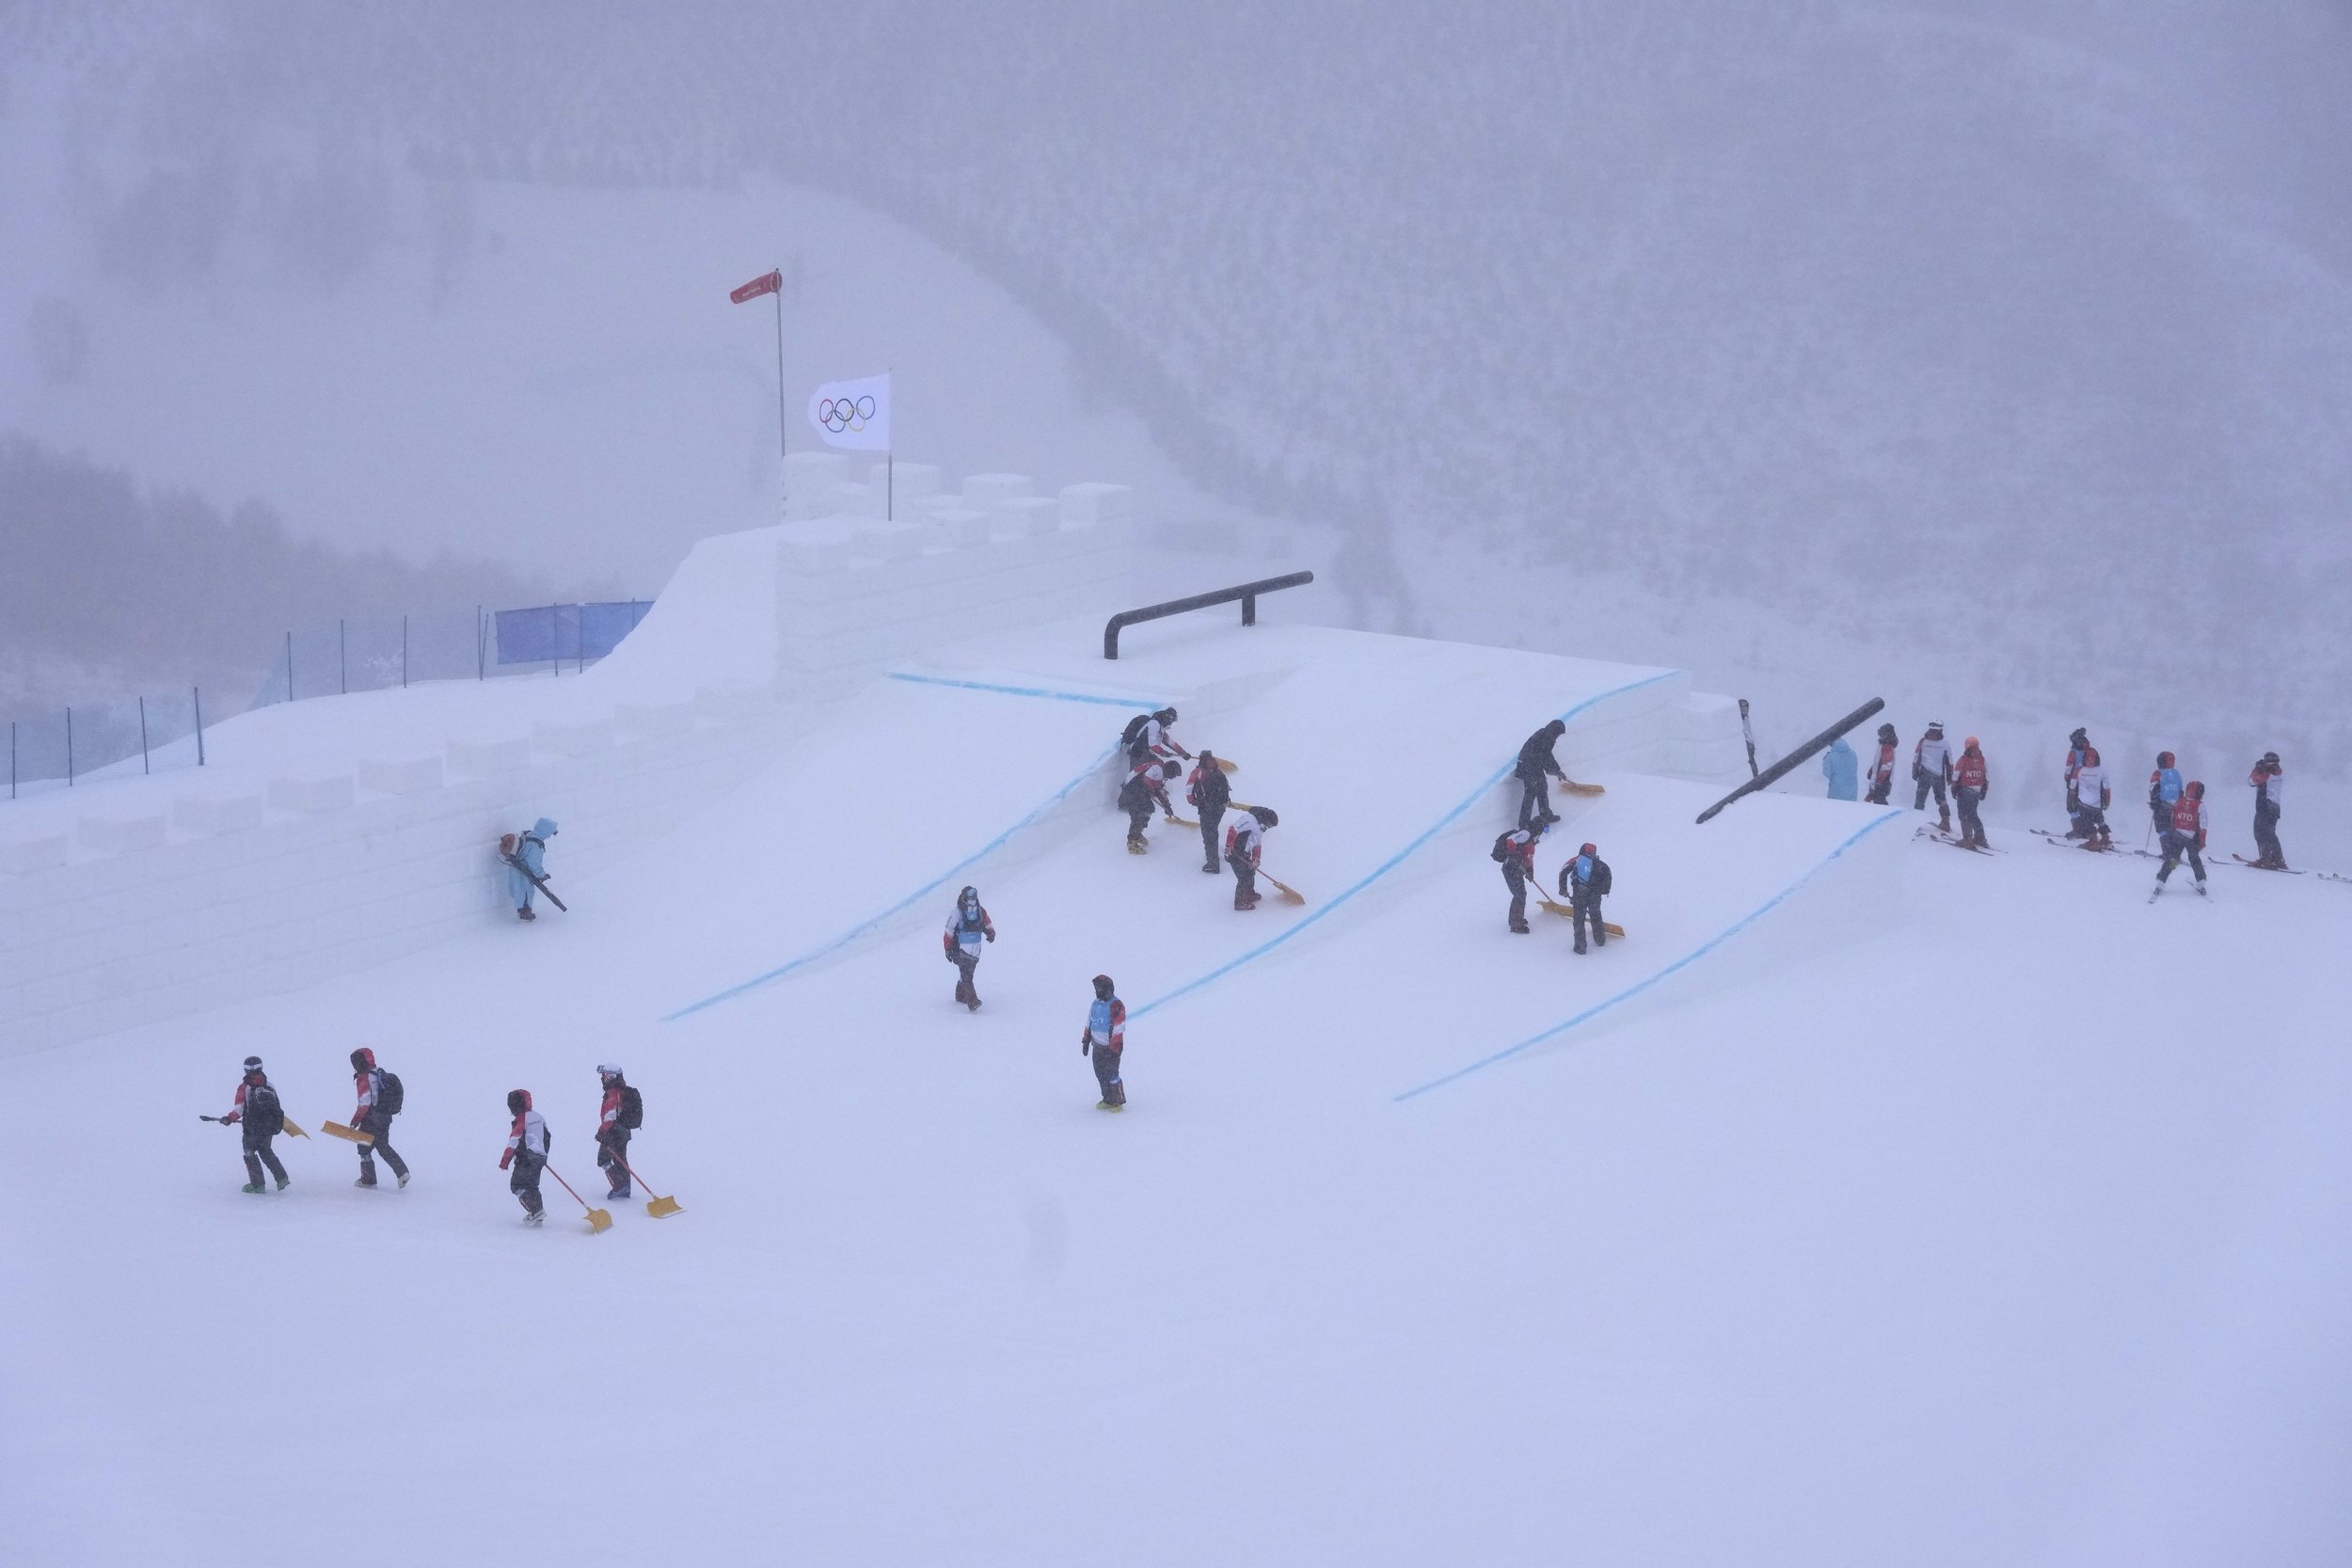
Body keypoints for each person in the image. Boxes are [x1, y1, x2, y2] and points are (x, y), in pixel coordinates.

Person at [219, 1054, 290, 1194]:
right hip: (268, 1127)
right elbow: (277, 1107)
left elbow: (239, 1109)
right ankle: (282, 1178)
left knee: (249, 1153)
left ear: (245, 1070)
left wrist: (228, 1119)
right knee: (266, 1152)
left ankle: (258, 1185)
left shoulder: (244, 1087)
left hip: (251, 1127)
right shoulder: (269, 1085)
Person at [347, 1047, 409, 1189]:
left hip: (370, 1119)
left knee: (363, 1147)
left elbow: (364, 1103)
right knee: (383, 1146)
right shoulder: (380, 1073)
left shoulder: (364, 1078)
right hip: (385, 1118)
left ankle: (368, 1180)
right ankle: (402, 1172)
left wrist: (354, 1122)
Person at [499, 1089, 550, 1226]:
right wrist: (543, 1155)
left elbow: (514, 1141)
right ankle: (538, 1213)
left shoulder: (521, 1119)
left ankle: (536, 1211)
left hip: (526, 1158)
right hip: (539, 1157)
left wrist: (505, 1162)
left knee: (517, 1186)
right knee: (532, 1186)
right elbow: (547, 1137)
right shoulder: (539, 1117)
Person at [2152, 780, 2210, 899]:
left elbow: (2173, 816)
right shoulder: (2200, 805)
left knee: (2173, 859)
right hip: (2192, 838)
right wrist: (2202, 841)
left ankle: (2161, 881)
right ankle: (2201, 881)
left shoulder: (2180, 801)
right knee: (2194, 860)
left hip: (2177, 836)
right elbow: (2203, 826)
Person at [942, 885, 995, 1009]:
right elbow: (949, 931)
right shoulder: (956, 912)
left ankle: (960, 995)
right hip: (961, 948)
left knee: (968, 974)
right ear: (964, 898)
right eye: (970, 898)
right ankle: (972, 1001)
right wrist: (948, 948)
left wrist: (990, 933)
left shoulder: (980, 911)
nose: (972, 900)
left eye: (974, 897)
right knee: (967, 975)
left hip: (975, 949)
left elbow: (987, 922)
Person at [1556, 841, 1613, 955]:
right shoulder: (1600, 864)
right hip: (1595, 894)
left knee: (1579, 919)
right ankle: (1600, 940)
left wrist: (1563, 889)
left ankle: (1580, 947)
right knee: (1595, 914)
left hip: (1580, 893)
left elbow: (1563, 871)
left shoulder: (1576, 860)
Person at [1080, 974, 1126, 1111]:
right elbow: (1089, 1022)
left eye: (1100, 990)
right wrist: (1086, 1041)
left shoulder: (1116, 1005)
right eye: (1096, 990)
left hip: (1111, 1048)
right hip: (1097, 1047)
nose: (1098, 992)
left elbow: (1118, 1028)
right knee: (1100, 1074)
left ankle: (1117, 1101)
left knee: (1112, 1074)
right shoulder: (1095, 1005)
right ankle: (1107, 1098)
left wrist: (1114, 1048)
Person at [1514, 720, 1567, 829]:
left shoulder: (1546, 734)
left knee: (1542, 787)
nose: (1558, 736)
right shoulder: (1547, 736)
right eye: (1558, 733)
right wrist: (1557, 771)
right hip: (1527, 765)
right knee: (1531, 792)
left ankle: (1545, 814)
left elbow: (1544, 755)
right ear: (1555, 730)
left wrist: (1555, 770)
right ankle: (1524, 823)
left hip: (1532, 764)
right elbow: (1546, 755)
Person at [1493, 818, 1543, 934]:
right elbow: (1510, 840)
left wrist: (1530, 871)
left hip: (1515, 869)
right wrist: (1513, 855)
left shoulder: (1531, 839)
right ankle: (1516, 924)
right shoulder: (1526, 833)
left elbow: (1529, 857)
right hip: (1511, 868)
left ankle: (1514, 919)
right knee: (1520, 894)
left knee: (1519, 894)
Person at [595, 1064, 637, 1201]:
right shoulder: (620, 1091)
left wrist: (601, 1132)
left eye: (604, 1076)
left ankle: (619, 1186)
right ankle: (625, 1188)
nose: (602, 1079)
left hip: (613, 1133)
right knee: (620, 1159)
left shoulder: (613, 1093)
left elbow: (610, 1116)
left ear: (610, 1076)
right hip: (622, 1131)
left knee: (603, 1159)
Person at [505, 816, 559, 922]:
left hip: (519, 870)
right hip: (523, 873)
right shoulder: (536, 845)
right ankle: (525, 913)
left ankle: (523, 911)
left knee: (520, 891)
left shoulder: (529, 835)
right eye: (549, 833)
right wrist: (541, 875)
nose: (549, 836)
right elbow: (534, 863)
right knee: (526, 892)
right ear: (544, 830)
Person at [1118, 760, 1177, 853]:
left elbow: (1158, 789)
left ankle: (1137, 834)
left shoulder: (1159, 770)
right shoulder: (1157, 769)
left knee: (1148, 809)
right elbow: (1147, 780)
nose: (1169, 778)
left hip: (1137, 789)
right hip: (1132, 789)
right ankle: (1132, 842)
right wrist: (1148, 791)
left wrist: (1167, 806)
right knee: (1139, 813)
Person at [1187, 751, 1232, 874]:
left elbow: (1188, 790)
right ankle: (1213, 859)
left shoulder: (1198, 772)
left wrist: (1194, 802)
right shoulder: (1218, 771)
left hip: (1207, 809)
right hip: (1220, 809)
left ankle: (1213, 864)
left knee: (1209, 836)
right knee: (1213, 832)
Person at [1226, 804, 1277, 911]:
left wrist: (1256, 859)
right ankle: (1240, 902)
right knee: (1243, 877)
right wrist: (1229, 846)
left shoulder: (1260, 827)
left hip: (1245, 852)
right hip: (1235, 852)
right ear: (1266, 818)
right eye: (1270, 824)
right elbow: (1233, 829)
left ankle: (1249, 894)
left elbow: (1257, 843)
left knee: (1250, 873)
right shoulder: (1250, 819)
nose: (1269, 827)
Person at [1913, 721, 1954, 832]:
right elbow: (1949, 761)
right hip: (1938, 775)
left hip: (1925, 774)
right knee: (1941, 798)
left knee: (1920, 798)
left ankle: (1915, 823)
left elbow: (1917, 756)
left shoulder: (1923, 741)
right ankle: (1946, 821)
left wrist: (1915, 770)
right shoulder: (1944, 744)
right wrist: (1950, 776)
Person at [1123, 707, 1190, 772]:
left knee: (1159, 764)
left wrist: (1184, 753)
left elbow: (1170, 742)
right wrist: (1163, 752)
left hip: (1146, 753)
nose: (1172, 722)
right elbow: (1152, 745)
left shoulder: (1161, 728)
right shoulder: (1154, 724)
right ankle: (1129, 783)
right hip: (1137, 753)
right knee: (1135, 776)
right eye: (1173, 720)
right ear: (1169, 718)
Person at [1953, 736, 1992, 848]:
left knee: (1963, 815)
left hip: (1964, 790)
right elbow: (1987, 776)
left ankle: (1967, 839)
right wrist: (1984, 790)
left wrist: (1954, 788)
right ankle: (1980, 838)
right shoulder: (1983, 760)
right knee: (1973, 815)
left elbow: (1956, 774)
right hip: (1976, 791)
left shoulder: (1963, 759)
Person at [2249, 752, 2286, 868]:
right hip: (2273, 807)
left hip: (2265, 806)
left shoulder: (2267, 774)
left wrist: (2257, 769)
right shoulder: (2278, 773)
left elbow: (2252, 781)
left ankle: (2268, 859)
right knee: (2269, 833)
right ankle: (2276, 859)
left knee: (2261, 833)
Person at [2073, 747, 2113, 849]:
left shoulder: (2079, 770)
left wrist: (2072, 799)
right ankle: (2106, 839)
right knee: (2100, 820)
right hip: (2097, 804)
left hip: (2083, 803)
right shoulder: (2102, 771)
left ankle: (2093, 841)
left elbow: (2072, 787)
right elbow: (2107, 788)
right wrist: (2107, 801)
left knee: (2087, 822)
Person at [2062, 728, 2092, 837]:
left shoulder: (2074, 752)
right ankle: (2088, 830)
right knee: (2083, 806)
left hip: (2074, 782)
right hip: (2088, 782)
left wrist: (2067, 779)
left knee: (2071, 806)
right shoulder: (2089, 751)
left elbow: (2068, 768)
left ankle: (2078, 830)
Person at [2147, 752, 2183, 842]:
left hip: (2162, 804)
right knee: (2171, 826)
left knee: (2162, 827)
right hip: (2175, 805)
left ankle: (2166, 851)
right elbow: (2180, 789)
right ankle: (2172, 851)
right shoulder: (2176, 773)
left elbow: (2153, 787)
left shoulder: (2158, 773)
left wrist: (2154, 800)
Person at [1864, 722, 1898, 806]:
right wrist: (1872, 770)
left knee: (1880, 803)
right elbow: (1879, 762)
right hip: (1882, 781)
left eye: (1882, 735)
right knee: (1877, 801)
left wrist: (1877, 784)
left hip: (1882, 782)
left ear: (1887, 734)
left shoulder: (1887, 747)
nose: (1880, 737)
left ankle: (1889, 817)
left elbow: (1886, 767)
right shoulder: (1884, 746)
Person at [1821, 734, 1858, 801]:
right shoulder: (1853, 753)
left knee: (1836, 810)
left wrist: (1825, 761)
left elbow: (1827, 773)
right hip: (1852, 789)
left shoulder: (1830, 757)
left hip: (1836, 791)